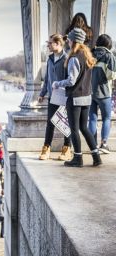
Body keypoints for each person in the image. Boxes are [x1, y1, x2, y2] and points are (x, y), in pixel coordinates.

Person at [52, 28, 102, 167]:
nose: (67, 41)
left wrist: (57, 84)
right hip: (86, 97)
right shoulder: (87, 56)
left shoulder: (74, 58)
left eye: (69, 39)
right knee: (84, 128)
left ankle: (78, 159)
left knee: (74, 129)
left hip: (75, 98)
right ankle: (96, 157)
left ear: (74, 41)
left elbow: (71, 81)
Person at [38, 33, 72, 161]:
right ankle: (46, 148)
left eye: (50, 43)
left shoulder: (67, 58)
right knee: (50, 123)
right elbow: (47, 78)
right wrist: (42, 94)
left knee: (65, 123)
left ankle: (67, 148)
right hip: (52, 97)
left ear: (58, 43)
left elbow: (70, 79)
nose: (48, 45)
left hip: (64, 96)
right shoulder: (50, 58)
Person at [88, 34, 116, 153]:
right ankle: (103, 144)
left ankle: (93, 146)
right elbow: (111, 75)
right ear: (109, 44)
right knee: (106, 118)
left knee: (92, 119)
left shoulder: (90, 54)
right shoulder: (109, 56)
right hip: (104, 93)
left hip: (90, 92)